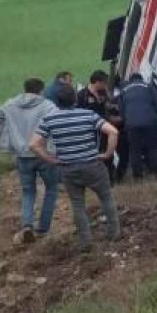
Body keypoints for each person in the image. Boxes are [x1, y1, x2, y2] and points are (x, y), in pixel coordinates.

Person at [30, 85, 120, 253]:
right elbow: (113, 131)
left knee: (78, 205)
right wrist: (107, 154)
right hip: (93, 165)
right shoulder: (88, 115)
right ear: (75, 99)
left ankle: (85, 242)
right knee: (106, 197)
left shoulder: (49, 119)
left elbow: (33, 144)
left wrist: (51, 159)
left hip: (68, 169)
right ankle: (114, 233)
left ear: (57, 101)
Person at [0, 78, 59, 244]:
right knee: (52, 188)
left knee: (28, 191)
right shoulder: (48, 106)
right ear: (41, 90)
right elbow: (56, 124)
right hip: (43, 152)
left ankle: (27, 226)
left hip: (22, 155)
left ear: (25, 90)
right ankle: (43, 229)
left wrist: (7, 131)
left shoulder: (10, 104)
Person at [76, 70, 122, 181]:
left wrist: (113, 109)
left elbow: (107, 107)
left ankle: (109, 178)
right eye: (104, 83)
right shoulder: (82, 95)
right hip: (89, 131)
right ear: (97, 82)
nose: (105, 85)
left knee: (108, 152)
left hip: (104, 128)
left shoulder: (103, 93)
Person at [119, 73, 157, 180]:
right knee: (152, 148)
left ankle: (138, 177)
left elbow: (121, 111)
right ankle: (154, 173)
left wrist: (128, 120)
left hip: (132, 124)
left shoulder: (124, 90)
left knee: (135, 150)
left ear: (130, 80)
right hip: (150, 123)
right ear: (141, 79)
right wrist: (156, 117)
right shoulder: (148, 87)